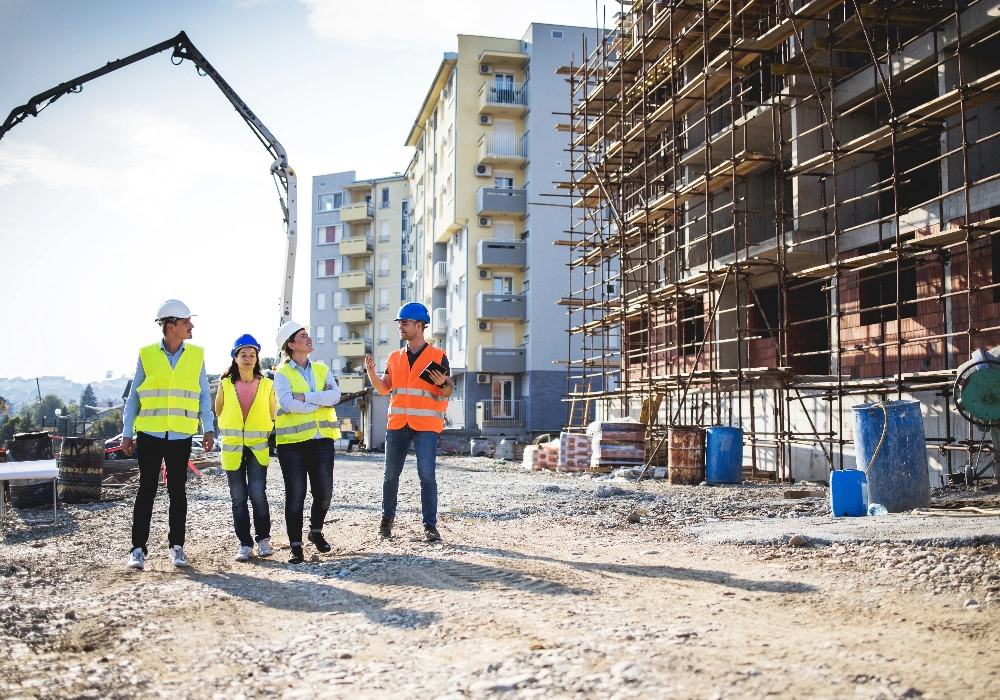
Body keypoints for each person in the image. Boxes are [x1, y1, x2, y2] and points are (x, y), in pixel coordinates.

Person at [122, 300, 214, 570]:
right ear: (171, 326)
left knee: (178, 491)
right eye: (187, 322)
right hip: (149, 433)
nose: (192, 326)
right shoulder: (147, 354)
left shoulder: (196, 355)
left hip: (181, 433)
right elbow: (134, 397)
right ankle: (137, 550)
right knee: (146, 490)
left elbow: (204, 396)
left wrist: (208, 428)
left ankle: (177, 547)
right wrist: (127, 433)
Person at [365, 302, 453, 542]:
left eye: (404, 323)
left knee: (426, 475)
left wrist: (443, 383)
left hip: (425, 426)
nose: (400, 327)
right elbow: (384, 389)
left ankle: (430, 526)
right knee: (390, 475)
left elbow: (447, 391)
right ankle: (386, 521)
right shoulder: (394, 357)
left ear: (419, 325)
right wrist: (372, 374)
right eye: (400, 323)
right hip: (397, 424)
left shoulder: (438, 356)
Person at [273, 321, 341, 564]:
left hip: (322, 439)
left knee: (324, 492)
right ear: (291, 345)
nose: (308, 338)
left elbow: (335, 396)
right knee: (296, 494)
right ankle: (296, 546)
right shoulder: (281, 374)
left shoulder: (322, 369)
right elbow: (286, 403)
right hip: (292, 444)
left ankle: (315, 531)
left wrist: (305, 397)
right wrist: (318, 401)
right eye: (303, 336)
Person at [215, 334, 275, 562]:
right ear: (235, 357)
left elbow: (272, 413)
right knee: (238, 497)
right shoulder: (225, 385)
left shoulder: (267, 385)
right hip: (232, 450)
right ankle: (244, 544)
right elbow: (219, 412)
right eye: (243, 355)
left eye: (252, 355)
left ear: (257, 358)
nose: (248, 359)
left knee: (258, 494)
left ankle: (263, 541)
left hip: (257, 448)